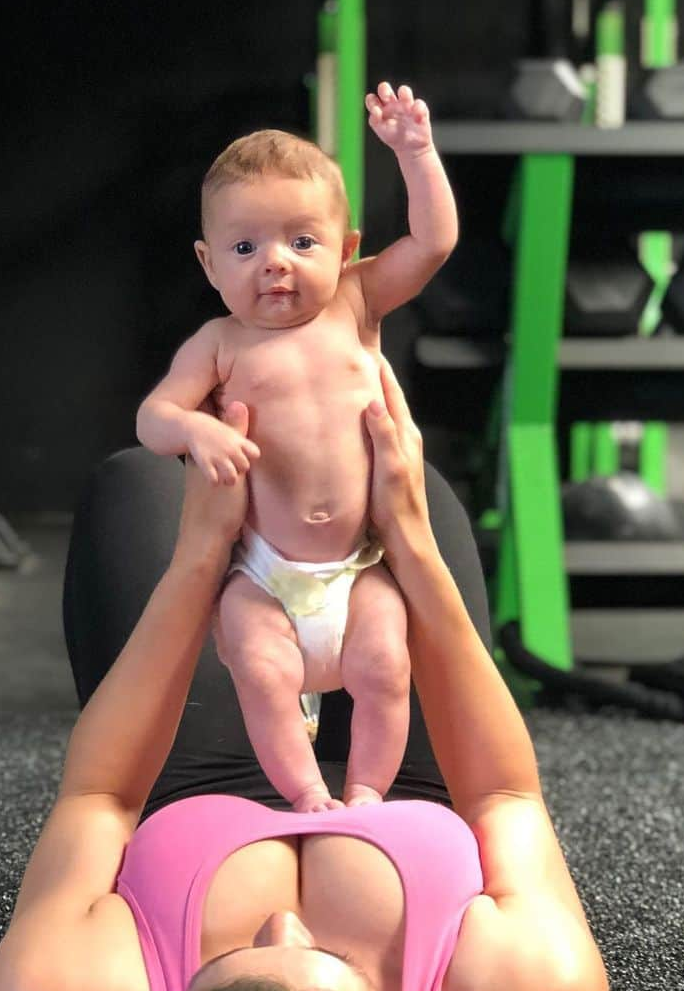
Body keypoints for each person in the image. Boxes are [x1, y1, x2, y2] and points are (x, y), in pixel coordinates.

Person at [0, 360, 611, 991]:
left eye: (225, 969)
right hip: (413, 793)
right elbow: (505, 800)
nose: (284, 924)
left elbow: (101, 799)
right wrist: (410, 543)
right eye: (339, 965)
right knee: (411, 488)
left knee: (136, 485)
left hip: (191, 793)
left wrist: (201, 562)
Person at [135, 82, 458, 812]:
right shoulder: (219, 344)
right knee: (257, 662)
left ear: (345, 252)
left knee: (384, 662)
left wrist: (416, 152)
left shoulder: (355, 301)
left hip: (360, 563)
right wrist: (195, 428)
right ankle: (309, 795)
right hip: (264, 574)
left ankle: (367, 794)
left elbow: (433, 242)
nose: (274, 263)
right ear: (209, 264)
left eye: (301, 241)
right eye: (245, 247)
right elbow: (153, 418)